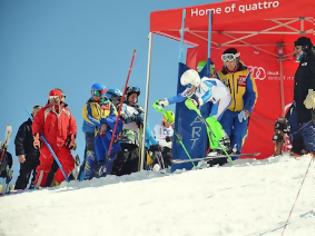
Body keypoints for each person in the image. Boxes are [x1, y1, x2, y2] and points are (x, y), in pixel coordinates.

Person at [157, 65, 231, 152]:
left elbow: (210, 93)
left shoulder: (204, 82)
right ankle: (216, 147)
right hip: (216, 100)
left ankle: (225, 142)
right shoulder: (192, 88)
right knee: (208, 122)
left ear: (194, 82)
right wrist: (165, 102)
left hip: (223, 96)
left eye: (189, 85)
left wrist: (199, 101)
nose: (188, 88)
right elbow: (179, 97)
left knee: (211, 120)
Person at [32, 88, 77, 187]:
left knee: (69, 163)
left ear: (61, 98)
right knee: (45, 166)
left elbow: (73, 127)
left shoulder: (67, 112)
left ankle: (56, 182)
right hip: (48, 144)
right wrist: (37, 139)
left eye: (56, 98)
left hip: (61, 145)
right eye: (52, 98)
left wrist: (72, 139)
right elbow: (36, 126)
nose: (54, 100)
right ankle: (38, 185)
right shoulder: (44, 111)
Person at [217, 48, 258, 155]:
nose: (229, 64)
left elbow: (251, 93)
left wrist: (247, 109)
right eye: (226, 61)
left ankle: (235, 153)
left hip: (241, 110)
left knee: (239, 133)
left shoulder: (245, 74)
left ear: (237, 59)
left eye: (231, 60)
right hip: (226, 111)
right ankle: (224, 154)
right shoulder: (220, 76)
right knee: (225, 132)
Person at [80, 83, 110, 180]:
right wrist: (99, 123)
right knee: (91, 153)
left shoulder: (106, 104)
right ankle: (84, 176)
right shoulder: (88, 104)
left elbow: (111, 115)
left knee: (101, 153)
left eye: (98, 93)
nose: (95, 95)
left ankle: (96, 174)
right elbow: (87, 117)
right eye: (93, 93)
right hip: (91, 132)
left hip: (101, 133)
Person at [112, 86, 144, 176]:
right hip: (124, 139)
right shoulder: (123, 106)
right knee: (122, 161)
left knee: (134, 164)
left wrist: (141, 120)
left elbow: (144, 124)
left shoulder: (139, 109)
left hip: (136, 141)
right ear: (128, 97)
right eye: (132, 96)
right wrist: (135, 117)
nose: (134, 99)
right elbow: (124, 118)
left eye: (135, 97)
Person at [291, 36, 315, 157]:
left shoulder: (313, 58)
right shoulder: (303, 60)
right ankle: (298, 150)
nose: (295, 51)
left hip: (309, 100)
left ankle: (312, 150)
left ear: (305, 47)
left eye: (297, 48)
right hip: (299, 100)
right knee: (294, 123)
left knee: (307, 125)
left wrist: (312, 93)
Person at [14, 105, 42, 190]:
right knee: (24, 176)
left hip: (39, 157)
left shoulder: (42, 128)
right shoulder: (25, 126)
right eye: (36, 112)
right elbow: (18, 140)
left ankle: (33, 190)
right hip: (27, 156)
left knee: (37, 176)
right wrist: (21, 153)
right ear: (33, 113)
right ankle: (17, 191)